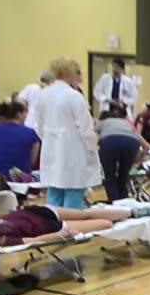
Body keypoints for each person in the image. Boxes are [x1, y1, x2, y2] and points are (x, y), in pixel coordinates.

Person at [0, 204, 150, 253]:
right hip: (49, 225)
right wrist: (58, 235)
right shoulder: (0, 242)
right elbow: (33, 241)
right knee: (105, 224)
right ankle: (126, 214)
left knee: (84, 212)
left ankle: (130, 211)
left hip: (34, 211)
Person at [33, 57, 100, 209]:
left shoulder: (43, 95)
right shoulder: (73, 96)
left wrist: (51, 140)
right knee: (74, 190)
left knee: (54, 189)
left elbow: (39, 126)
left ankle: (54, 225)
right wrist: (92, 145)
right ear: (70, 73)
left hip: (51, 148)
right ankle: (71, 225)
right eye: (78, 72)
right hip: (73, 149)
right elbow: (85, 127)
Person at [97, 108, 150, 202]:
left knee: (110, 176)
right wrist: (136, 162)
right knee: (124, 176)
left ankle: (114, 203)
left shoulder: (101, 123)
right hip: (131, 143)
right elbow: (146, 147)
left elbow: (93, 142)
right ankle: (124, 203)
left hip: (109, 142)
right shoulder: (126, 124)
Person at [0, 102, 41, 178]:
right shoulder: (31, 133)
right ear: (19, 114)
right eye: (25, 113)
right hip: (21, 175)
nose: (26, 116)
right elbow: (32, 161)